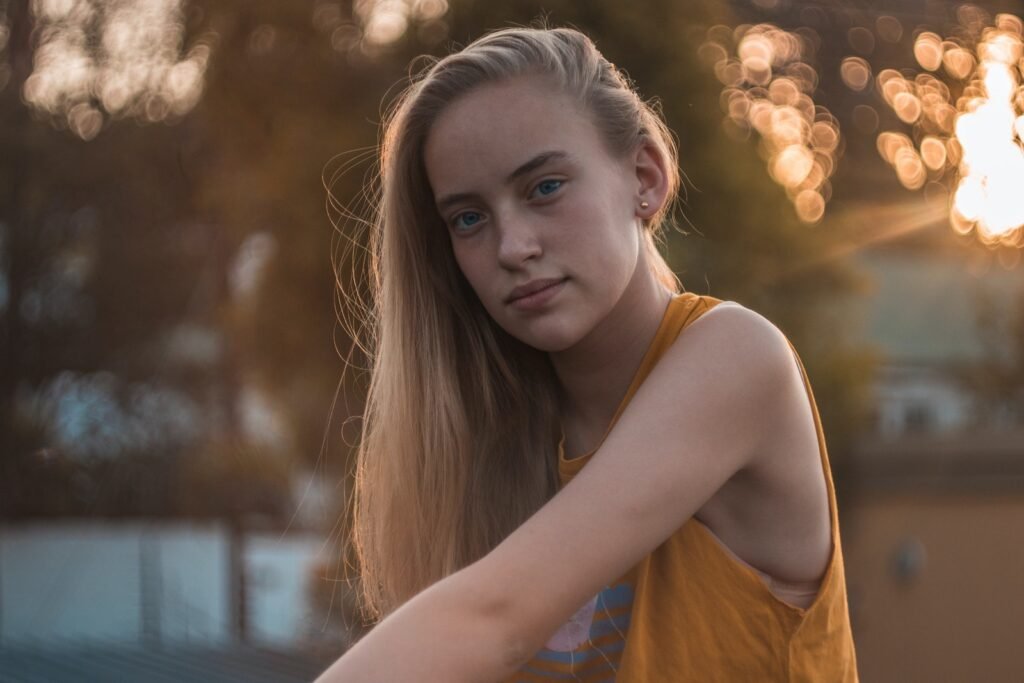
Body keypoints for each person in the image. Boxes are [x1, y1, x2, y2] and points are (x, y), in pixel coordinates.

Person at [316, 25, 858, 682]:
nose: (512, 246)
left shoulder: (738, 359)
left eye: (544, 187)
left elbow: (498, 619)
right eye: (468, 218)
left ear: (645, 178)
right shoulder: (502, 440)